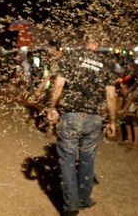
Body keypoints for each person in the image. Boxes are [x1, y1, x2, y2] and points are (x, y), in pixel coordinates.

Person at [46, 40, 117, 215]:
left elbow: (58, 85)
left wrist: (52, 107)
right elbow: (111, 95)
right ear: (99, 42)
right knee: (87, 160)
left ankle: (71, 205)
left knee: (68, 161)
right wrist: (113, 120)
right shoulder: (106, 63)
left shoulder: (71, 57)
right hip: (94, 118)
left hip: (70, 116)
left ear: (85, 40)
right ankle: (84, 199)